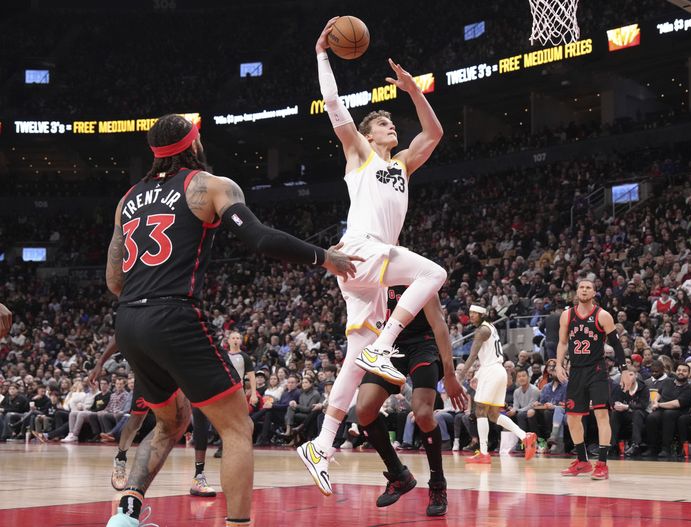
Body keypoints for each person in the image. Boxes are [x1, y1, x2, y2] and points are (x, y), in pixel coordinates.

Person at [104, 114, 360, 527]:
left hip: (130, 320)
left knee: (172, 421)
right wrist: (324, 257)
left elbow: (115, 280)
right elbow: (259, 238)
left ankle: (127, 514)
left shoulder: (128, 198)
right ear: (193, 144)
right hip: (174, 314)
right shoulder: (210, 185)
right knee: (237, 427)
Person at [299, 17, 448, 496]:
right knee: (433, 272)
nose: (391, 125)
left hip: (368, 271)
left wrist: (413, 92)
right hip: (362, 250)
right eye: (384, 122)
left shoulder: (402, 163)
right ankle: (388, 342)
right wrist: (323, 54)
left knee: (354, 361)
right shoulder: (361, 153)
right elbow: (336, 107)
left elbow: (434, 133)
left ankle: (321, 443)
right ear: (370, 133)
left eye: (390, 122)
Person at [353, 287, 466, 517]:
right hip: (389, 346)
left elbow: (439, 326)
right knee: (363, 410)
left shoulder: (417, 276)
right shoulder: (375, 279)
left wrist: (450, 374)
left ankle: (437, 484)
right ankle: (398, 474)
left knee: (423, 414)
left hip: (423, 346)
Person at [91, 340, 217, 497]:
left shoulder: (180, 322)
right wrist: (100, 363)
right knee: (136, 421)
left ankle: (199, 475)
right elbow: (120, 336)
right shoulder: (143, 320)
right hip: (149, 375)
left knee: (199, 412)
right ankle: (121, 458)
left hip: (178, 372)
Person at [556, 279, 628, 480]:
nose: (584, 290)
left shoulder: (603, 315)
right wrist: (559, 364)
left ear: (594, 292)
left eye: (588, 287)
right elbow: (562, 343)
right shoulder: (567, 315)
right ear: (576, 291)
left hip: (597, 370)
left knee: (602, 415)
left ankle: (602, 464)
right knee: (572, 417)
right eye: (581, 287)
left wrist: (623, 370)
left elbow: (617, 346)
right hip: (576, 371)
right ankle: (582, 461)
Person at [458, 305, 538, 464]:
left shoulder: (482, 330)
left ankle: (483, 453)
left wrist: (459, 376)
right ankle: (525, 436)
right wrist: (478, 374)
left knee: (480, 410)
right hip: (495, 370)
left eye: (476, 313)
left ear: (483, 315)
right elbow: (487, 356)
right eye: (470, 313)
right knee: (493, 414)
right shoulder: (490, 328)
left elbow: (473, 355)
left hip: (492, 371)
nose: (472, 315)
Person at [643, 363, 691, 457]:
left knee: (668, 414)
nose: (681, 372)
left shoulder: (689, 388)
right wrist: (655, 402)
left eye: (684, 371)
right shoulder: (668, 381)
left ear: (688, 374)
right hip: (661, 408)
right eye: (679, 370)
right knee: (651, 417)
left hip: (679, 411)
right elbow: (659, 393)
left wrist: (659, 404)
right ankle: (652, 448)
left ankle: (666, 448)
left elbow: (677, 403)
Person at [610, 368, 649, 457]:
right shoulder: (619, 387)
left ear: (636, 375)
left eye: (631, 374)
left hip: (641, 414)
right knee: (615, 413)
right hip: (626, 413)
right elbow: (613, 401)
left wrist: (627, 406)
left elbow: (643, 405)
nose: (628, 377)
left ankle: (636, 445)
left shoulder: (643, 387)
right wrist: (616, 405)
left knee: (637, 413)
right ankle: (612, 444)